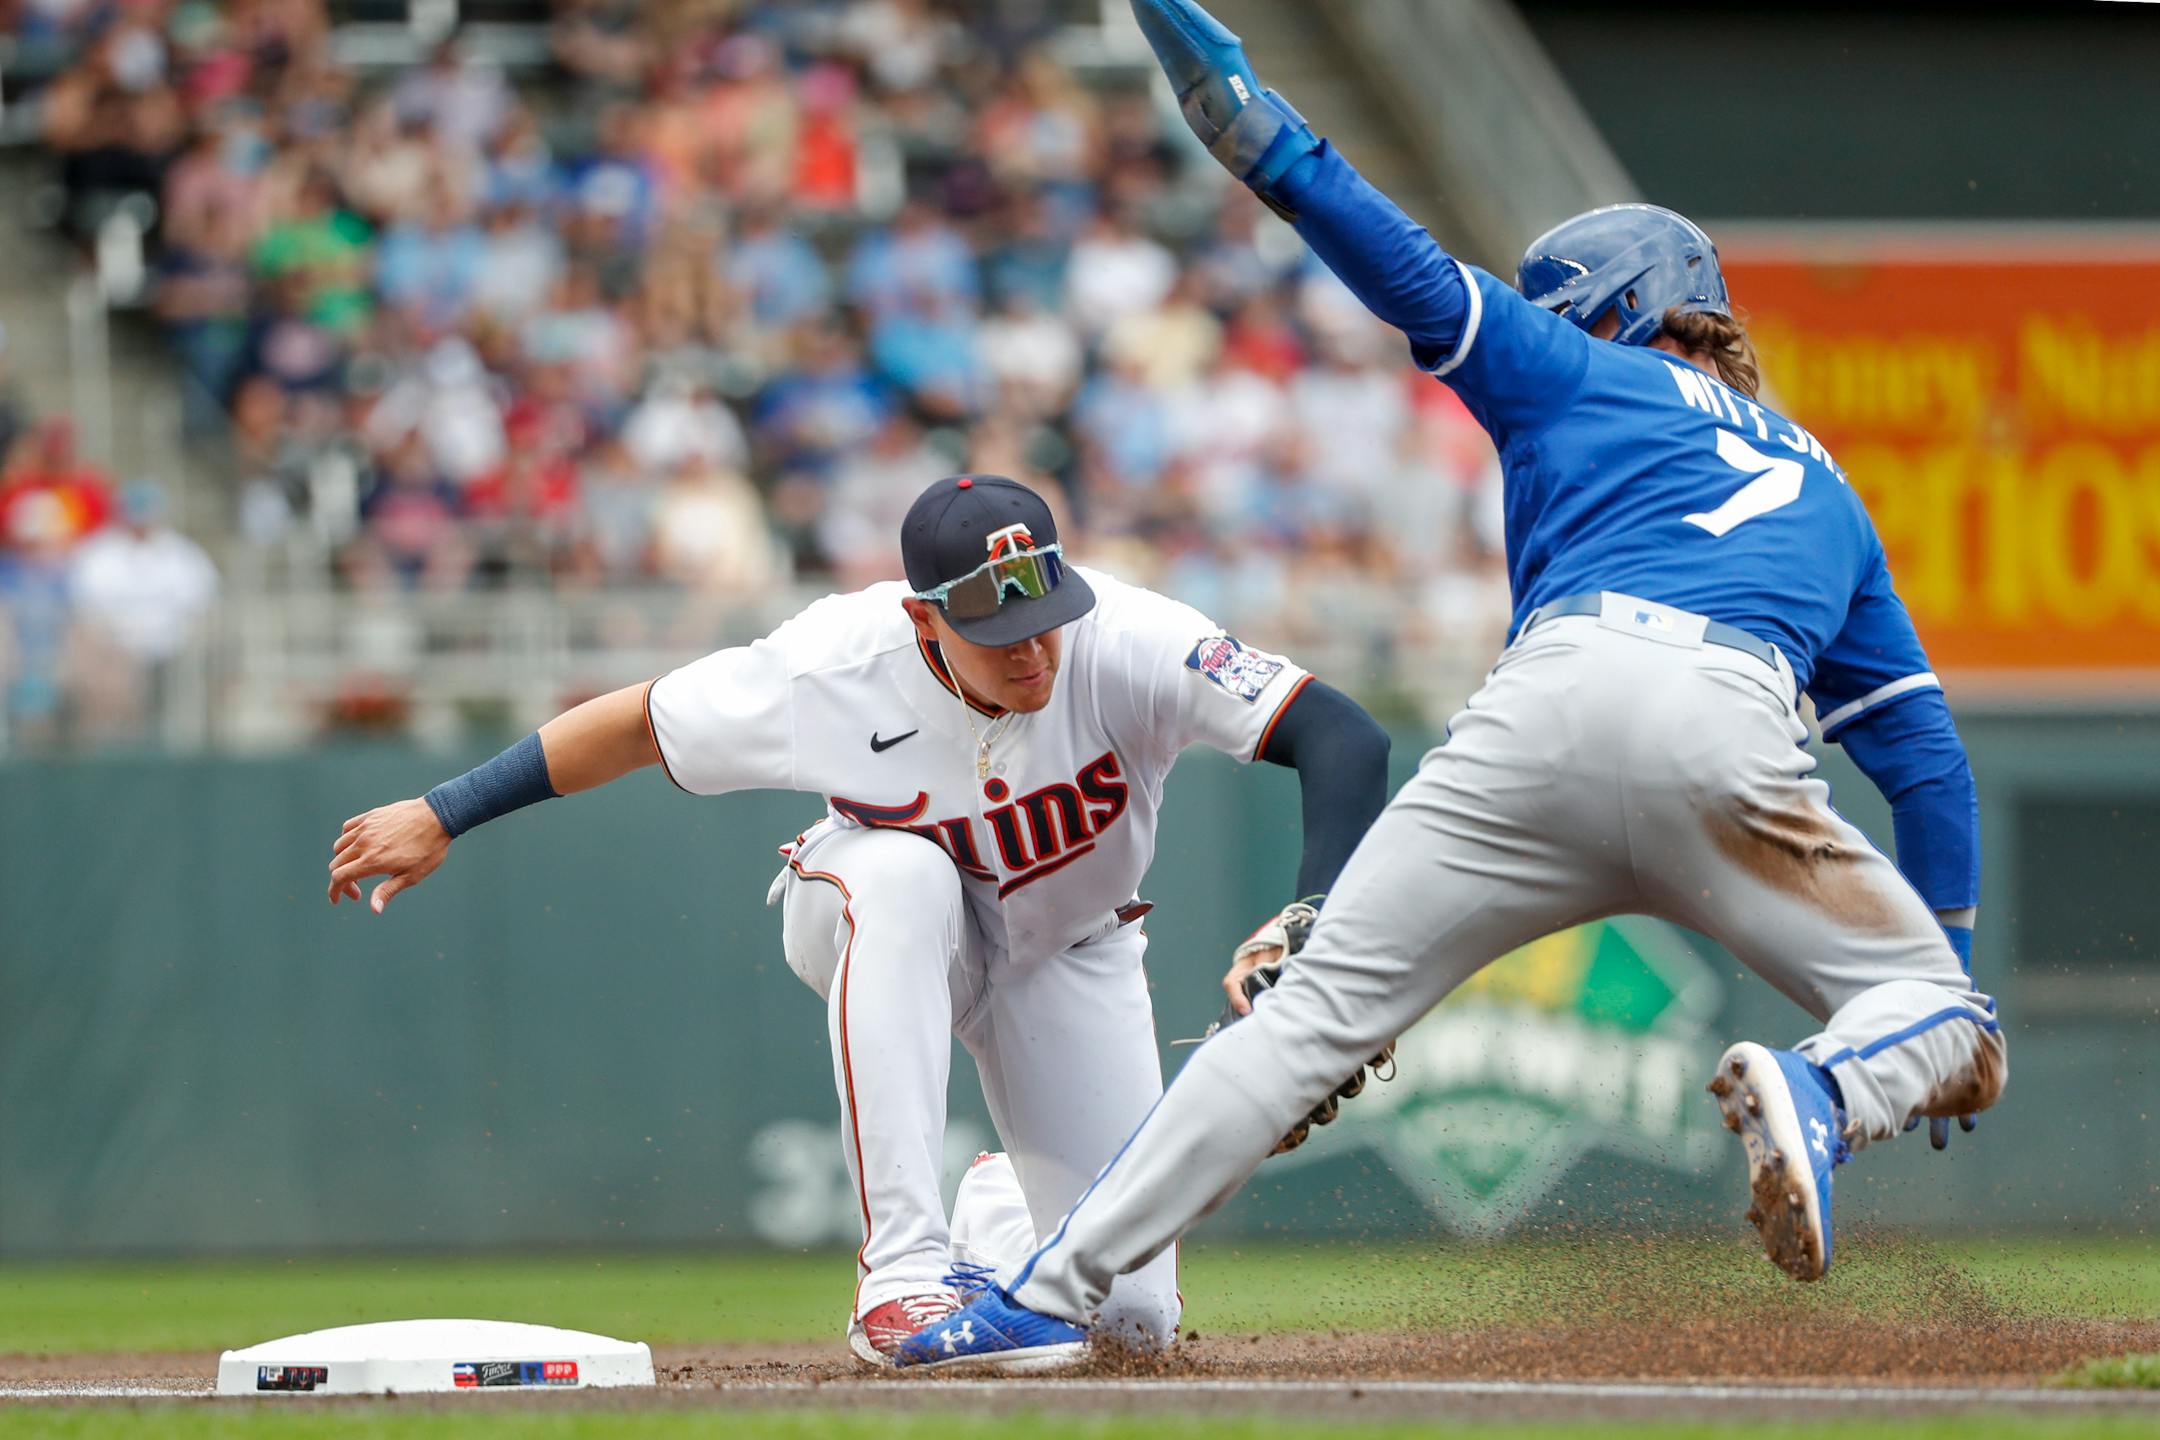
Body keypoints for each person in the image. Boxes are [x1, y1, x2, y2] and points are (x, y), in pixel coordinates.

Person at [898, 0, 2001, 1370]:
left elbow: (1408, 268)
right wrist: (1927, 1010)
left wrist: (1255, 135)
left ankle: (1035, 1301)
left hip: (1543, 711)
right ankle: (1834, 1088)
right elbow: (1925, 761)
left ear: (1605, 310)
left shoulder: (1575, 371)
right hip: (1729, 729)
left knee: (1302, 1030)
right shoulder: (1828, 489)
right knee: (1951, 1017)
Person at [326, 473, 1389, 1368]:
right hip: (868, 910)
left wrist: (1314, 914)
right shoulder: (830, 663)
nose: (1032, 654)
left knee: (1128, 1325)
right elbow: (636, 724)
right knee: (908, 879)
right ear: (921, 615)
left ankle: (997, 1217)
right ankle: (903, 1278)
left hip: (1072, 951)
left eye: (1043, 620)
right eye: (998, 631)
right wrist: (443, 811)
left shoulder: (1132, 637)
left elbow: (1340, 736)